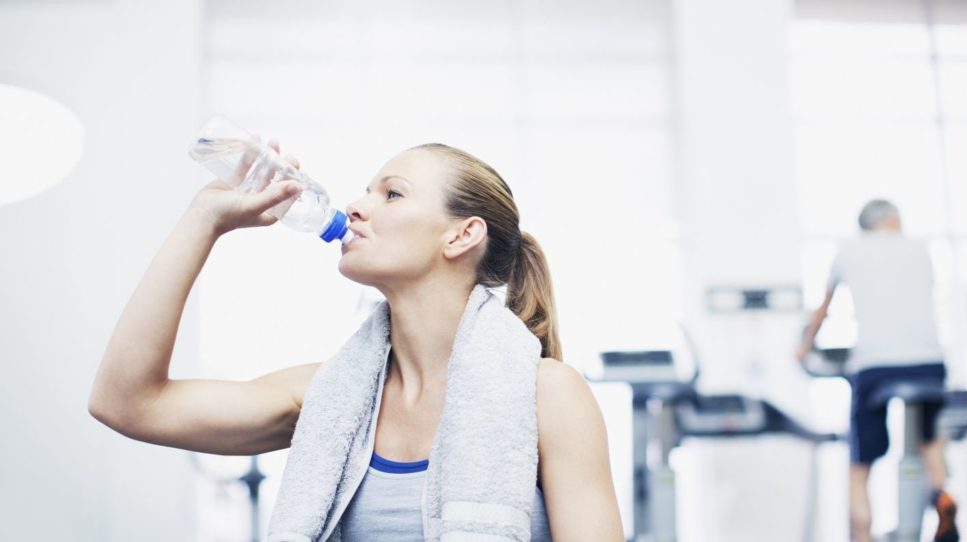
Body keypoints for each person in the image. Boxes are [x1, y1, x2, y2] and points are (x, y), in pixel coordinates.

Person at [89, 140, 624, 541]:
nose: (357, 206)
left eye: (392, 193)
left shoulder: (548, 395)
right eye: (368, 191)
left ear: (461, 235)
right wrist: (203, 220)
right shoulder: (328, 398)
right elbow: (127, 402)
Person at [796, 199, 959, 542]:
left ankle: (862, 534)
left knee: (860, 465)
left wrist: (804, 347)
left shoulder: (849, 250)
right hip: (928, 363)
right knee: (929, 439)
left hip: (875, 365)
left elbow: (822, 311)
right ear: (892, 219)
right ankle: (943, 495)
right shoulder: (920, 248)